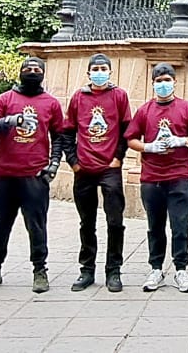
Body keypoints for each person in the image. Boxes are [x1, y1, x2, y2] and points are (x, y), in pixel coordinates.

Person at [0, 56, 65, 294]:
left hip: (35, 175)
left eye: (37, 69)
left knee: (37, 225)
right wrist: (10, 121)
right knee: (0, 224)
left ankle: (40, 270)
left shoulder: (51, 103)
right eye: (28, 68)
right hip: (4, 174)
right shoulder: (5, 99)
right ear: (20, 71)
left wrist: (54, 163)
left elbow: (59, 135)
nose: (32, 72)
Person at [126, 62, 188, 293]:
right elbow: (131, 138)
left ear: (174, 82)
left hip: (179, 175)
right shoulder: (145, 111)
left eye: (167, 80)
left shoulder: (186, 108)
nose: (163, 85)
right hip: (151, 177)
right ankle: (156, 268)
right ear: (153, 84)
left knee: (180, 226)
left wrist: (182, 141)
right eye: (159, 81)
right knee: (155, 226)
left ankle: (181, 269)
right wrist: (148, 147)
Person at [62, 53, 132, 293]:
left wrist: (118, 158)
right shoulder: (78, 97)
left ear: (110, 72)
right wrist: (73, 161)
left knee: (115, 221)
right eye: (96, 69)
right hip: (84, 168)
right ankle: (87, 269)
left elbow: (126, 129)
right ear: (88, 73)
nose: (99, 73)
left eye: (103, 69)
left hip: (109, 168)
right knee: (86, 222)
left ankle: (114, 270)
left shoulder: (119, 96)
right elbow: (68, 131)